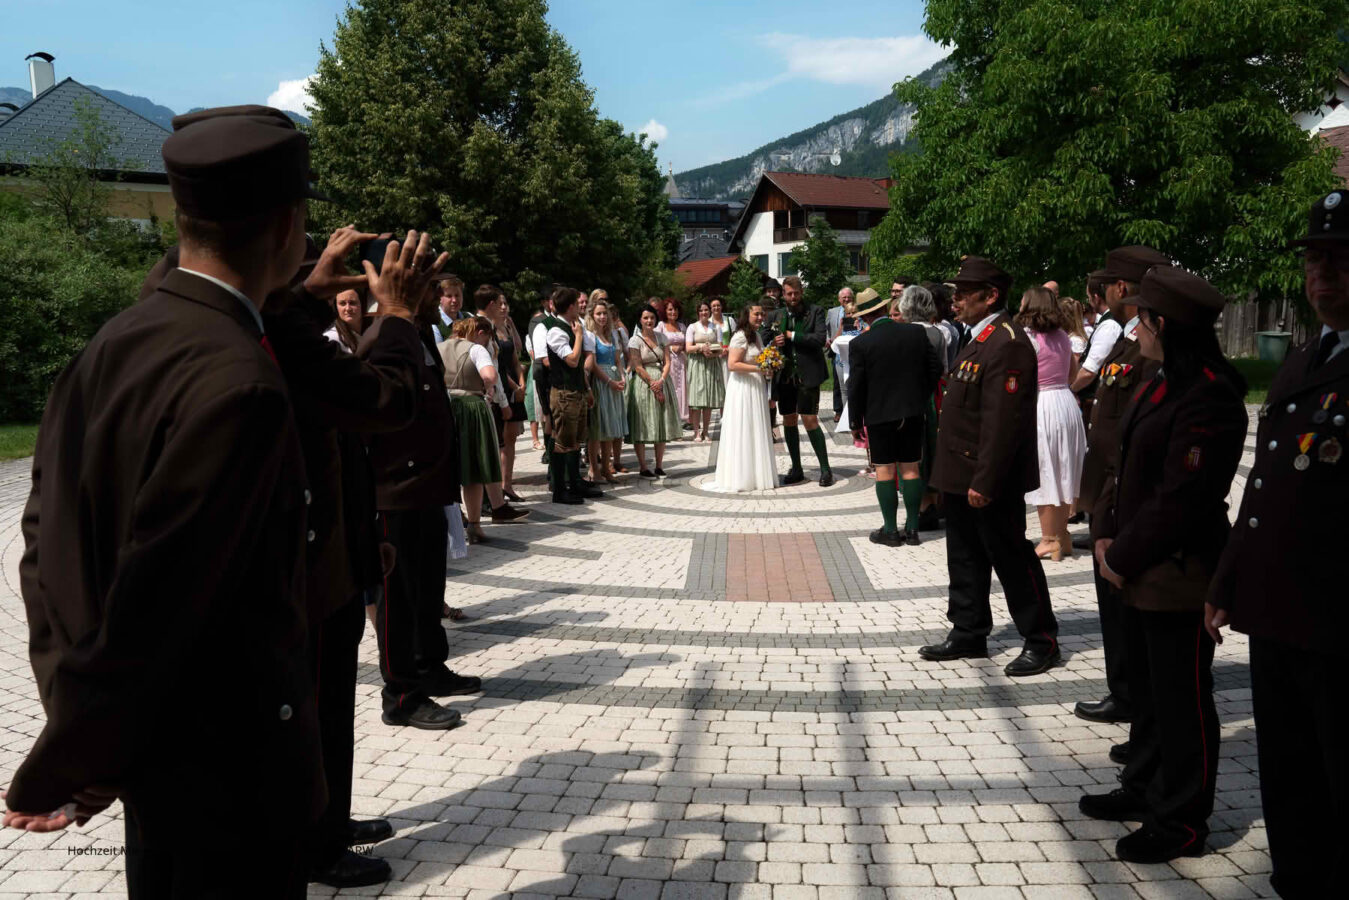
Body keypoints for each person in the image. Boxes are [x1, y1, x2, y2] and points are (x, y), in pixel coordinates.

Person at [4, 110, 333, 896]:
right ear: (289, 226)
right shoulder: (242, 384)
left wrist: (77, 722)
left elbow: (44, 542)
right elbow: (163, 595)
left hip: (155, 755)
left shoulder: (112, 342)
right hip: (228, 765)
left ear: (184, 217)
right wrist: (76, 756)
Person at [1206, 191, 1349, 898]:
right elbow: (1265, 488)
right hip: (1279, 611)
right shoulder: (1301, 360)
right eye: (1316, 259)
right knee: (1288, 775)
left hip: (1337, 621)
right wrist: (1227, 581)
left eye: (1342, 259)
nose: (1323, 274)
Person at [1079, 265, 1246, 864]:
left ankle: (1181, 819)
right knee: (1148, 695)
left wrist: (1121, 554)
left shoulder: (1208, 393)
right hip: (1134, 564)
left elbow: (1185, 496)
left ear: (1161, 324)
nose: (1135, 327)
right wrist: (1102, 533)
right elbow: (1123, 469)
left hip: (1176, 571)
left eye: (1143, 318)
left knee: (1182, 701)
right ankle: (1144, 786)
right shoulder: (1159, 381)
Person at [359, 238, 480, 731]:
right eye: (425, 280)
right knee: (398, 596)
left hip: (429, 488)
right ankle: (402, 694)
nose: (434, 290)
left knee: (429, 588)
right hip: (394, 492)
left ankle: (430, 666)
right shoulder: (381, 334)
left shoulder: (419, 333)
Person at [921, 256, 1060, 677]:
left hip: (986, 476)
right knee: (963, 554)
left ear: (991, 296)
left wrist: (986, 479)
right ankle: (969, 630)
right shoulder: (978, 336)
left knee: (1010, 555)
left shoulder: (1009, 342)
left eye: (964, 293)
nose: (956, 299)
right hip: (961, 472)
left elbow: (1004, 421)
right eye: (956, 292)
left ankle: (1041, 639)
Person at [1072, 246, 1171, 730]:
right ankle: (1125, 690)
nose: (1104, 292)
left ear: (1122, 288)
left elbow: (1138, 432)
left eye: (1110, 283)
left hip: (1124, 493)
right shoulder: (1126, 339)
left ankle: (1132, 695)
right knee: (1113, 608)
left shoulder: (1150, 346)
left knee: (1125, 604)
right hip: (1108, 491)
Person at [849, 288, 940, 545]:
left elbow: (856, 386)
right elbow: (936, 369)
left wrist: (855, 421)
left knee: (885, 472)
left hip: (879, 415)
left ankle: (890, 530)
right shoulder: (916, 333)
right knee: (911, 469)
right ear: (885, 309)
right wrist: (919, 396)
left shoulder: (861, 343)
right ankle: (912, 530)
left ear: (866, 317)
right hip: (912, 411)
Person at [441, 315, 529, 542]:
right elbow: (490, 375)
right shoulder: (476, 349)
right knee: (473, 470)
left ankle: (451, 525)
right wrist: (488, 389)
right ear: (477, 333)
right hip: (471, 408)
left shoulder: (438, 346)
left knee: (449, 468)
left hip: (444, 407)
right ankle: (475, 526)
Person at [1016, 286, 1087, 562]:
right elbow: (1072, 374)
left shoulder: (1028, 338)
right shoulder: (1064, 337)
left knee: (1045, 471)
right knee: (1064, 469)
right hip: (1066, 403)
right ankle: (1062, 535)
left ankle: (1048, 540)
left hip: (1042, 404)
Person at [761, 275, 833, 486]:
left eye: (796, 293)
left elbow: (819, 339)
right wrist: (774, 340)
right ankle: (797, 468)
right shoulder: (775, 314)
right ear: (783, 295)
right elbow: (763, 337)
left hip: (808, 374)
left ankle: (825, 469)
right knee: (789, 420)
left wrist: (793, 336)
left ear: (802, 293)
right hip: (784, 376)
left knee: (810, 420)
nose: (793, 297)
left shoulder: (816, 311)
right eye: (789, 293)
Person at [544, 287, 604, 504]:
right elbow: (572, 360)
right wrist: (578, 336)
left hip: (577, 391)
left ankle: (575, 482)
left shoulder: (572, 325)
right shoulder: (555, 330)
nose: (580, 307)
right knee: (563, 442)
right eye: (576, 303)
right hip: (563, 393)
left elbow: (580, 367)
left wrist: (587, 389)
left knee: (576, 441)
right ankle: (560, 489)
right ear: (569, 306)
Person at [896, 285, 949, 531]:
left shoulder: (904, 333)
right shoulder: (938, 333)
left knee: (911, 456)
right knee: (930, 450)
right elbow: (943, 369)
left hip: (908, 398)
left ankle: (919, 508)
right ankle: (932, 503)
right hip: (932, 397)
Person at [712, 304, 776, 491]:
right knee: (744, 427)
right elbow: (732, 364)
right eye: (756, 314)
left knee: (755, 428)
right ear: (746, 315)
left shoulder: (756, 336)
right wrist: (759, 369)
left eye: (761, 314)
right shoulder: (739, 336)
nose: (760, 317)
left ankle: (757, 474)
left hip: (756, 387)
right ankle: (741, 476)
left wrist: (768, 370)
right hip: (742, 388)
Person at [627, 306, 681, 476]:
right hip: (644, 383)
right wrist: (652, 383)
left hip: (662, 379)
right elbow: (636, 365)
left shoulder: (662, 337)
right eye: (645, 318)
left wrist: (662, 380)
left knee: (661, 422)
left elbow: (667, 361)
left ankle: (659, 464)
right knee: (642, 423)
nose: (649, 321)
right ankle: (643, 466)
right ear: (640, 320)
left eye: (651, 317)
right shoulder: (634, 340)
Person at [486, 289, 527, 502]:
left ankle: (508, 485)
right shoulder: (489, 330)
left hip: (513, 382)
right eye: (500, 304)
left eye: (506, 304)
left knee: (511, 439)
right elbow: (498, 366)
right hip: (501, 383)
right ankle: (497, 488)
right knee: (500, 440)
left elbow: (517, 353)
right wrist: (514, 387)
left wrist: (521, 382)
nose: (504, 307)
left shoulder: (505, 327)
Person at [585, 298, 628, 482]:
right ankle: (594, 468)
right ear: (592, 316)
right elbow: (593, 364)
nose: (602, 317)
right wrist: (610, 381)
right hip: (601, 383)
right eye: (598, 314)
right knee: (598, 428)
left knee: (610, 427)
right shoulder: (590, 336)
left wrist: (622, 375)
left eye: (604, 313)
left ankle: (606, 468)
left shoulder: (611, 335)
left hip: (614, 382)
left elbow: (618, 359)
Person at [685, 301, 726, 441]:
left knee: (708, 400)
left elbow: (720, 348)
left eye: (706, 310)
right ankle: (696, 431)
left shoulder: (716, 327)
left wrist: (712, 353)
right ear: (698, 312)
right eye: (701, 310)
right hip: (697, 364)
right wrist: (701, 348)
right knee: (697, 400)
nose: (704, 312)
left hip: (711, 364)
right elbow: (688, 348)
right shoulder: (692, 327)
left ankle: (706, 431)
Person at [657, 298, 691, 430]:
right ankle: (669, 421)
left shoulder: (682, 326)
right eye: (670, 309)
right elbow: (657, 344)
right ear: (665, 311)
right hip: (667, 361)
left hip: (681, 362)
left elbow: (687, 343)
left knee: (682, 389)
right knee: (670, 389)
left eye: (676, 309)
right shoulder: (661, 326)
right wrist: (671, 348)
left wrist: (681, 347)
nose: (673, 312)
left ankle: (681, 420)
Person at [827, 286, 854, 417]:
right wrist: (828, 339)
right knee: (838, 383)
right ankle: (839, 411)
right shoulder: (832, 312)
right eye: (844, 297)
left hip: (854, 353)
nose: (847, 299)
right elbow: (826, 328)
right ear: (839, 299)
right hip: (837, 351)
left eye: (849, 297)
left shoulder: (858, 312)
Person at [432, 274, 467, 342]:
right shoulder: (435, 325)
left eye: (457, 295)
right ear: (439, 298)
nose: (454, 300)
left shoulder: (469, 317)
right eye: (449, 296)